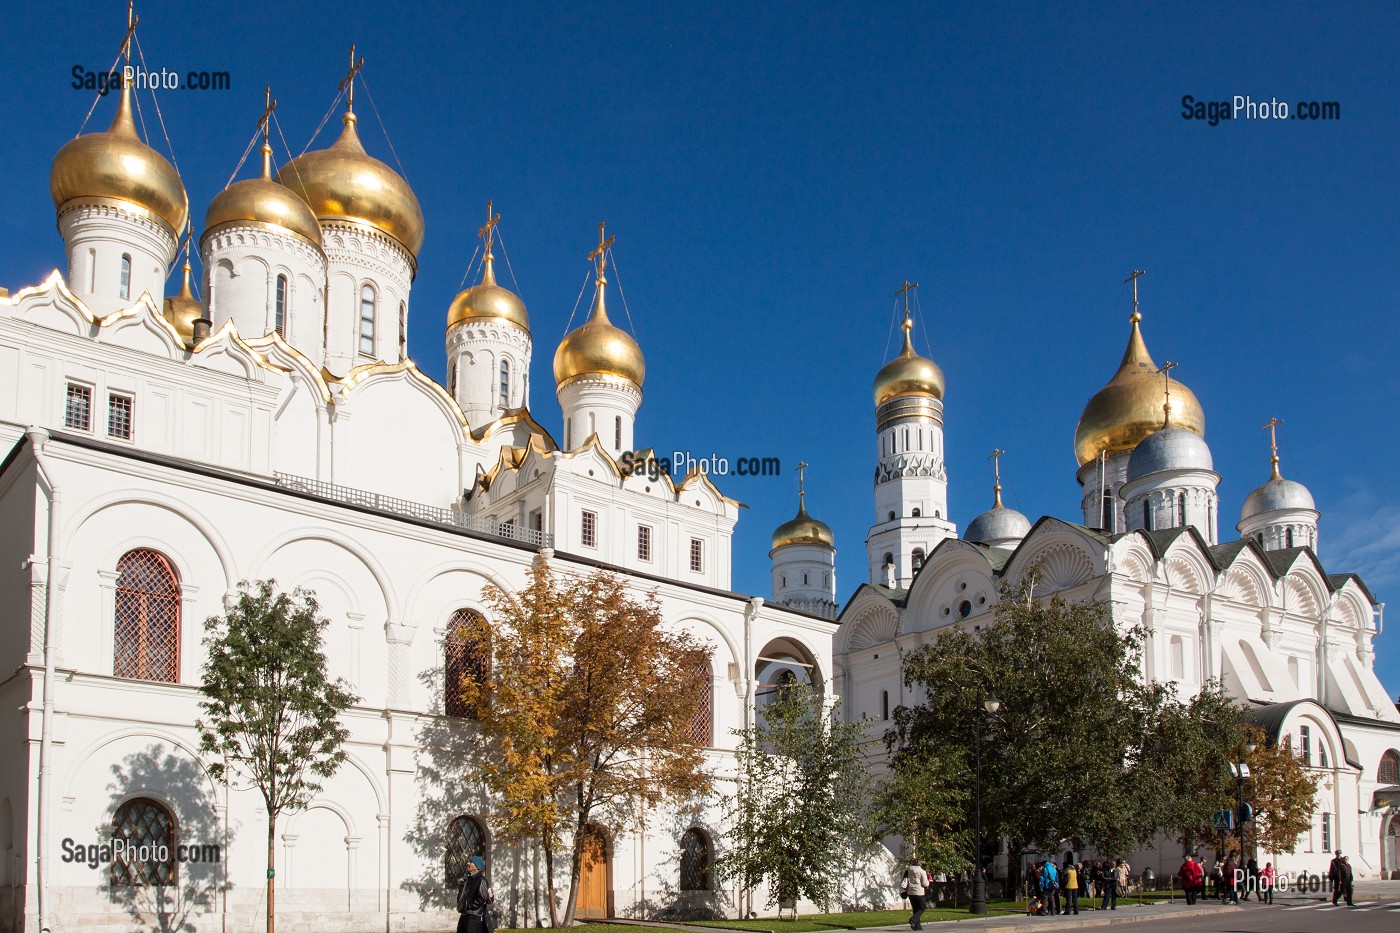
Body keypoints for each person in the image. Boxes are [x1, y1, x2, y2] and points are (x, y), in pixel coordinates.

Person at [456, 855, 494, 933]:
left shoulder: (481, 880)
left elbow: (482, 897)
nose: (468, 863)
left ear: (477, 866)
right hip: (464, 915)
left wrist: (470, 906)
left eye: (471, 862)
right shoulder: (467, 880)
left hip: (473, 917)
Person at [900, 858, 929, 930]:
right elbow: (925, 884)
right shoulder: (922, 871)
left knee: (915, 909)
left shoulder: (908, 870)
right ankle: (912, 920)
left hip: (910, 892)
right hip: (919, 892)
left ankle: (917, 926)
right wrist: (928, 882)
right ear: (920, 864)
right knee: (922, 907)